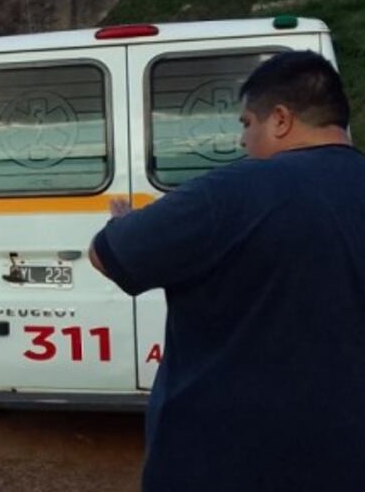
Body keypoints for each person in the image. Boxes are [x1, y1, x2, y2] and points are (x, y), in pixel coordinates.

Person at [88, 51, 365, 491]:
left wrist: (122, 223)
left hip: (223, 462)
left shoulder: (232, 192)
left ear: (279, 119)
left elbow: (108, 254)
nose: (242, 141)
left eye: (245, 124)